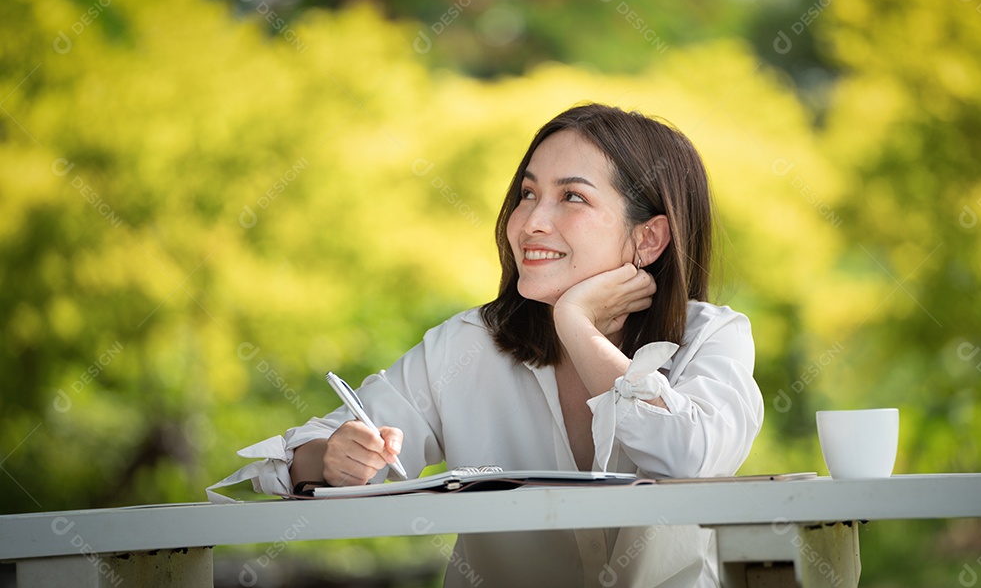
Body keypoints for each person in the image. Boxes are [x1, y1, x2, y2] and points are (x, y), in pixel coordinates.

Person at [213, 103, 765, 587]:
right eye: (528, 194)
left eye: (571, 196)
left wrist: (578, 325)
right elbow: (312, 452)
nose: (530, 222)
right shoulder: (468, 346)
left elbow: (689, 455)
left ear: (648, 238)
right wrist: (330, 459)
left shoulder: (711, 338)